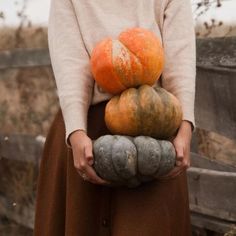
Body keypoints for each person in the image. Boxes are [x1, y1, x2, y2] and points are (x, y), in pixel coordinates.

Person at [34, 0, 196, 235]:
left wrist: (185, 127)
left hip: (155, 130)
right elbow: (70, 62)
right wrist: (76, 132)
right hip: (88, 128)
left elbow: (180, 57)